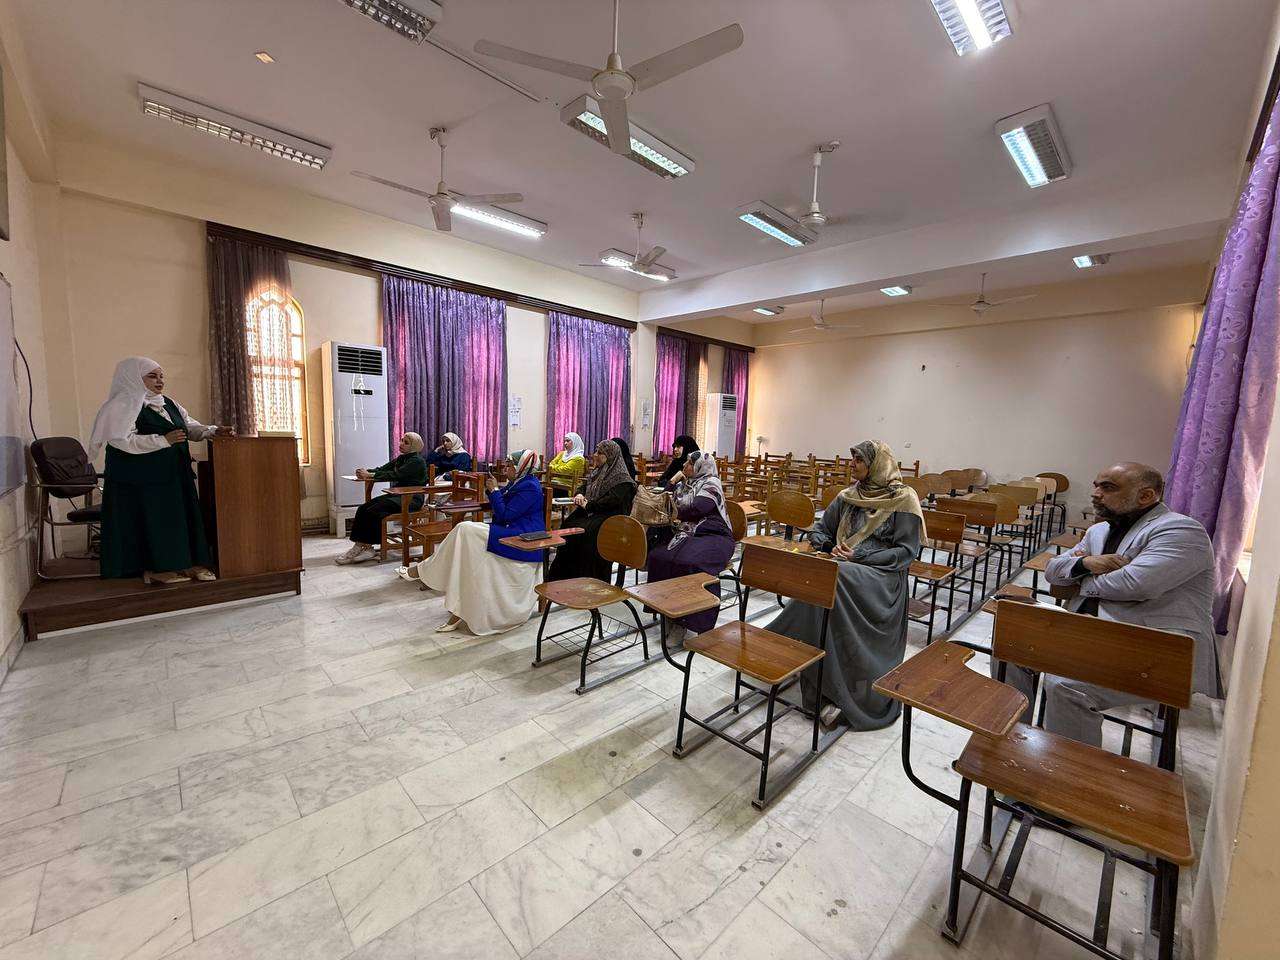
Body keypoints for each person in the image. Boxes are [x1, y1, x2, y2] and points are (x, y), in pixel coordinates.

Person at [1019, 461, 1216, 747]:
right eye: (1096, 486)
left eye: (1108, 487)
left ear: (1146, 496)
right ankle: (1016, 737)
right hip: (1091, 632)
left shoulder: (1180, 530)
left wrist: (1080, 582)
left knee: (1065, 685)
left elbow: (1135, 584)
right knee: (1012, 647)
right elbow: (1053, 570)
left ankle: (1070, 768)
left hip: (1154, 648)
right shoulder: (1098, 531)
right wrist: (1086, 563)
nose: (1096, 493)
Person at [764, 440, 923, 730]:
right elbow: (820, 530)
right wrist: (828, 546)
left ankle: (788, 649)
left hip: (882, 576)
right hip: (844, 566)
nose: (852, 465)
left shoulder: (903, 500)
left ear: (876, 465)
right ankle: (806, 663)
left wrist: (860, 556)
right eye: (853, 459)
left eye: (858, 460)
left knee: (830, 576)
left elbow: (906, 553)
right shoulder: (849, 496)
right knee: (821, 575)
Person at [89, 356, 233, 585]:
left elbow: (188, 426)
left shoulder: (168, 403)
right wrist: (163, 440)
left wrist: (212, 431)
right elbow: (121, 440)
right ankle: (156, 569)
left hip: (173, 473)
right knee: (155, 522)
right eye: (152, 376)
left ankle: (187, 564)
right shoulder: (122, 404)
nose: (160, 381)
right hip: (141, 479)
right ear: (134, 377)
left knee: (179, 520)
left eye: (161, 376)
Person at [412, 450, 546, 634]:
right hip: (510, 530)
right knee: (467, 547)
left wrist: (495, 490)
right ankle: (457, 606)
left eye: (510, 465)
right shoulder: (518, 482)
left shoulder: (530, 486)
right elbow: (499, 505)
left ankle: (424, 570)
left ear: (521, 467)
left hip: (523, 538)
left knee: (465, 529)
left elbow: (505, 514)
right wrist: (492, 490)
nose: (506, 468)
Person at [645, 451, 735, 636]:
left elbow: (697, 508)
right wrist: (672, 481)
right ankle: (667, 612)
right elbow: (664, 498)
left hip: (715, 536)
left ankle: (688, 621)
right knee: (659, 557)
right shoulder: (685, 484)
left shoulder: (711, 483)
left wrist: (672, 510)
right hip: (689, 534)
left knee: (688, 562)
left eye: (689, 463)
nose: (684, 466)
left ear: (700, 467)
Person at [546, 439, 637, 582]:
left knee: (586, 534)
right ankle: (563, 577)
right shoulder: (597, 472)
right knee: (569, 524)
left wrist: (588, 505)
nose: (595, 455)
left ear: (610, 456)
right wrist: (579, 494)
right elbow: (584, 486)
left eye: (599, 453)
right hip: (592, 512)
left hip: (609, 518)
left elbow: (610, 502)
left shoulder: (623, 480)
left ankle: (587, 579)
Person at [336, 433, 428, 564]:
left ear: (414, 446)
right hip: (398, 495)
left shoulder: (417, 461)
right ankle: (365, 546)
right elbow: (383, 469)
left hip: (411, 498)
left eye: (406, 442)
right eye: (402, 440)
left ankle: (365, 547)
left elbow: (395, 474)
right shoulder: (402, 458)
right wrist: (366, 472)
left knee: (374, 511)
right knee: (363, 508)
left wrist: (370, 475)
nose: (401, 443)